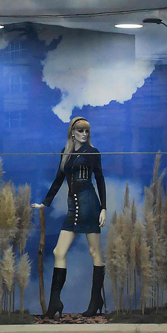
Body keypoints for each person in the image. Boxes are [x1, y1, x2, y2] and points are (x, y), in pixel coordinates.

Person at [34, 117, 107, 318]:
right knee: (59, 252)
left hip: (89, 204)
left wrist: (103, 208)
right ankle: (55, 303)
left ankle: (96, 300)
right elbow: (59, 179)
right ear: (72, 132)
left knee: (95, 251)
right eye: (80, 130)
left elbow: (100, 179)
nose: (84, 134)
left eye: (86, 131)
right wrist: (45, 202)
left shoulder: (93, 152)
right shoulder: (65, 152)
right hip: (72, 206)